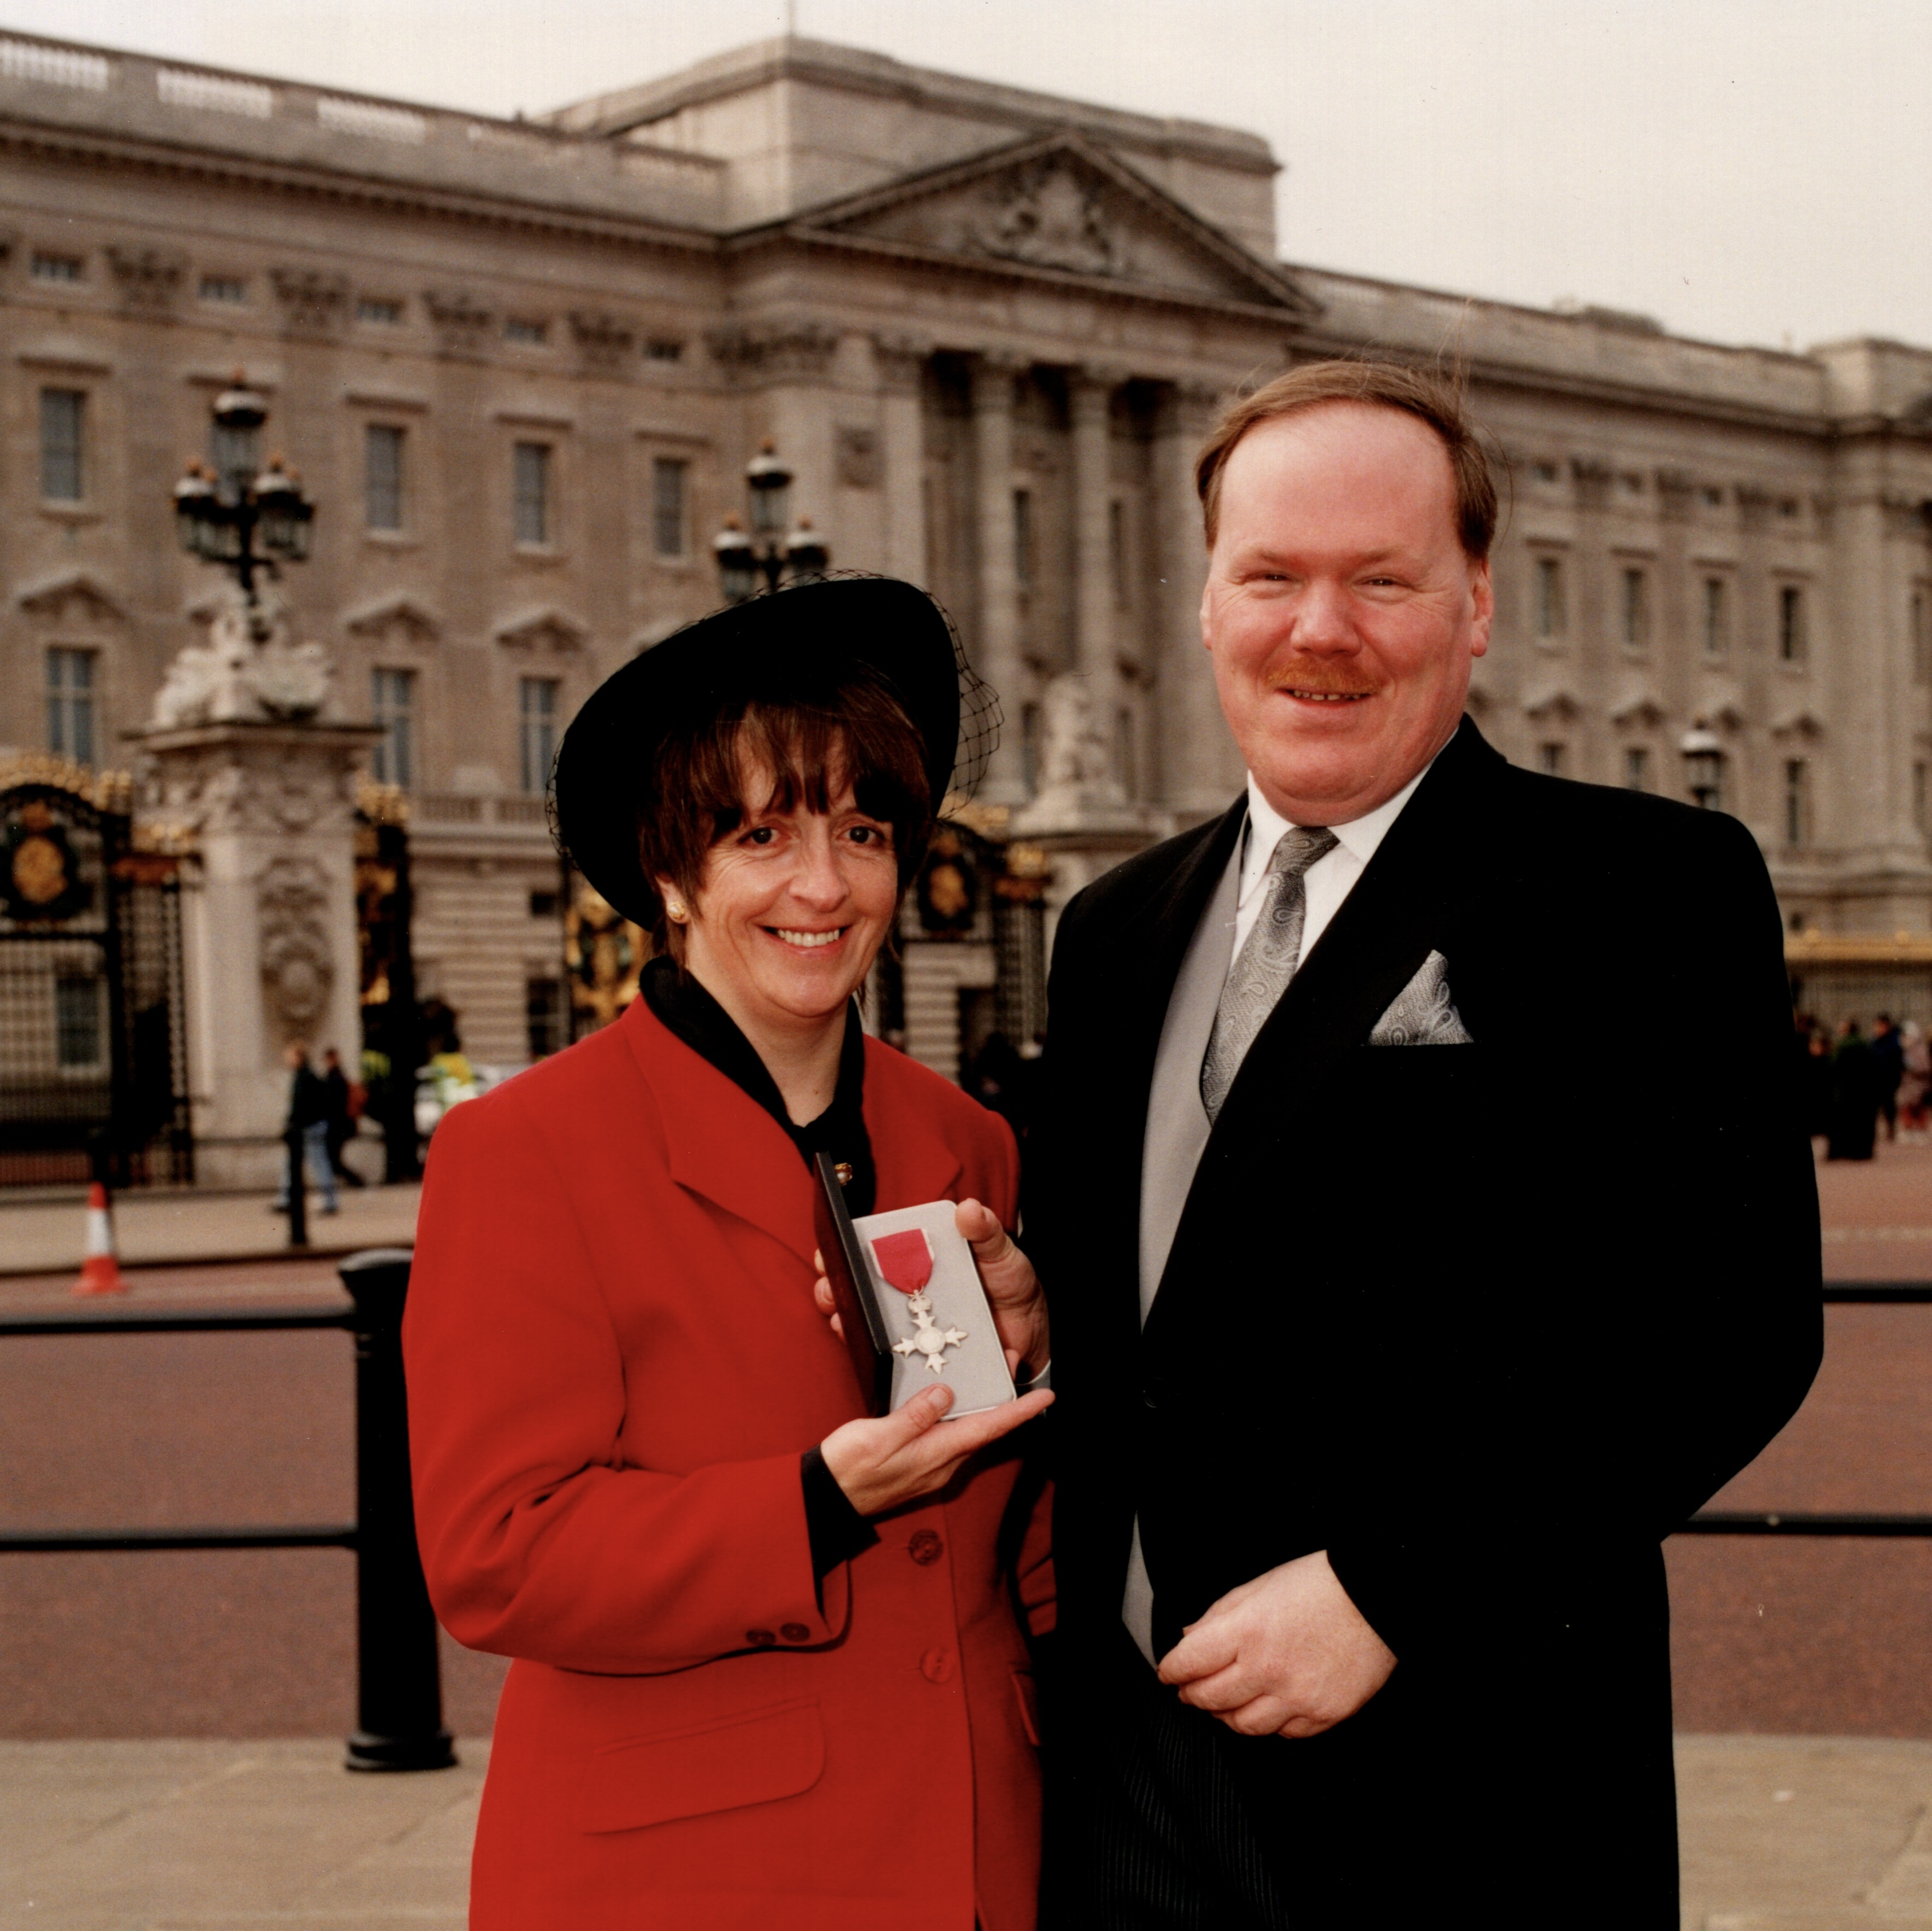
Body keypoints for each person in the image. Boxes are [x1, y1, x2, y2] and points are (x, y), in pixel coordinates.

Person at [1006, 361, 1821, 1926]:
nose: (1321, 629)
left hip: (1463, 1770)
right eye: (1272, 576)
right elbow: (1175, 1293)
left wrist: (1398, 1582)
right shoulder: (1113, 924)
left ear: (1475, 607)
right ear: (1205, 601)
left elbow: (1732, 1327)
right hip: (1122, 1766)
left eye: (1382, 579)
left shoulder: (1642, 884)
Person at [403, 578, 1056, 1931]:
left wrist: (1055, 1350)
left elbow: (1016, 1541)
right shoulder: (525, 1147)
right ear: (670, 874)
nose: (824, 884)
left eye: (863, 830)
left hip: (982, 1843)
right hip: (687, 1869)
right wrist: (814, 1499)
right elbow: (497, 1552)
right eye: (762, 834)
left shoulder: (968, 1138)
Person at [274, 1041, 337, 1217]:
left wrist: (292, 1123)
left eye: (290, 1056)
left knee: (317, 1164)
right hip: (309, 1126)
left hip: (310, 1127)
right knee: (294, 1164)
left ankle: (329, 1201)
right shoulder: (304, 1075)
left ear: (299, 1057)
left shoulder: (305, 1077)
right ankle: (286, 1199)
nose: (287, 1060)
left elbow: (301, 1105)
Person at [1827, 1018, 1880, 1161]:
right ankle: (1862, 1151)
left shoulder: (1843, 1045)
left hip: (1845, 1089)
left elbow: (1834, 1065)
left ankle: (1844, 1151)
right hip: (1864, 1089)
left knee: (1844, 1121)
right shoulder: (1865, 1043)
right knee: (1862, 1122)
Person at [318, 1046, 365, 1189]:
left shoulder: (336, 1078)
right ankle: (355, 1181)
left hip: (338, 1125)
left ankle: (357, 1181)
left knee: (333, 1160)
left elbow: (333, 1104)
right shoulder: (335, 1077)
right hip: (339, 1124)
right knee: (333, 1159)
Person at [1873, 1014, 1906, 1142]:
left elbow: (1896, 1060)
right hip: (1877, 1078)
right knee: (1876, 1106)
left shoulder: (1893, 1041)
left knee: (1889, 1106)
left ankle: (1891, 1130)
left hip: (1889, 1078)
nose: (1877, 1029)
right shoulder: (1876, 1041)